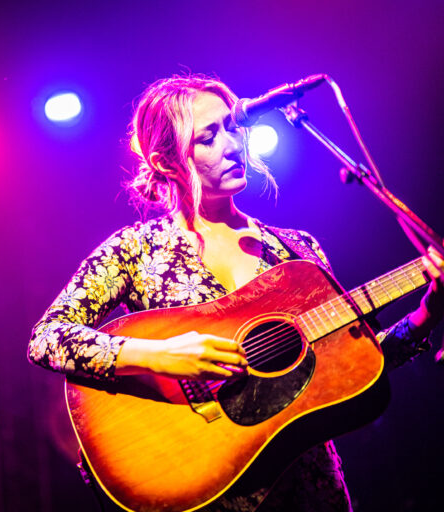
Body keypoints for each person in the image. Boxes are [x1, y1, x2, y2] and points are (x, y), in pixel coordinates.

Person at [27, 75, 444, 511]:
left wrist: (427, 315)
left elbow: (355, 368)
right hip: (201, 484)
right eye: (208, 137)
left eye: (232, 127)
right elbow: (47, 338)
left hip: (310, 492)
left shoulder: (297, 251)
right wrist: (157, 355)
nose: (231, 144)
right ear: (166, 161)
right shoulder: (135, 250)